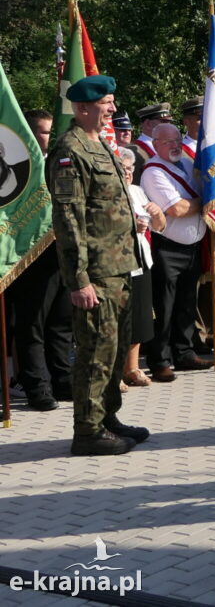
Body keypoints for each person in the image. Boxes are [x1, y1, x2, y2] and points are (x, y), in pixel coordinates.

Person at [45, 74, 146, 456]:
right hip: (95, 272)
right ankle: (87, 431)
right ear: (83, 107)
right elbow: (68, 220)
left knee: (115, 350)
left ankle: (106, 418)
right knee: (94, 354)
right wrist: (79, 280)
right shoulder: (69, 151)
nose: (113, 109)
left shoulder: (100, 143)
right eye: (106, 103)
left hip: (118, 266)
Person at [141, 122, 214, 381]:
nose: (175, 146)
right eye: (168, 142)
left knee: (186, 304)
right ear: (155, 143)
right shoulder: (153, 171)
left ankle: (184, 353)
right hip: (167, 249)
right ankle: (159, 360)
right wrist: (203, 201)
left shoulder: (183, 165)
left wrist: (196, 201)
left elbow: (188, 202)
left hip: (192, 246)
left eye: (176, 140)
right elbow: (176, 209)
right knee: (164, 307)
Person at [10, 112, 70, 410]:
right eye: (46, 132)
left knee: (61, 322)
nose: (51, 136)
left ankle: (61, 379)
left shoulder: (56, 162)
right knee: (32, 323)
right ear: (32, 133)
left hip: (62, 253)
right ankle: (37, 386)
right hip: (31, 257)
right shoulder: (22, 167)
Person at [114, 146, 166, 386]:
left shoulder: (137, 191)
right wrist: (130, 227)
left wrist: (157, 214)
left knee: (140, 317)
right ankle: (114, 373)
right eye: (122, 167)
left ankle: (132, 368)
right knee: (117, 320)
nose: (127, 172)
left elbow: (160, 225)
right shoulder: (108, 193)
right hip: (117, 264)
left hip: (141, 261)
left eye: (130, 168)